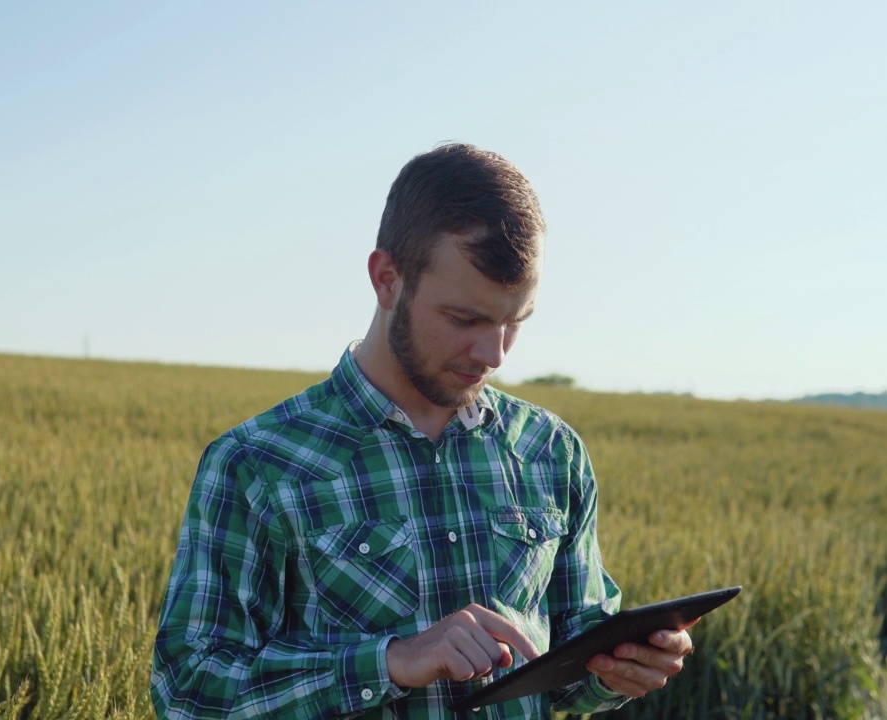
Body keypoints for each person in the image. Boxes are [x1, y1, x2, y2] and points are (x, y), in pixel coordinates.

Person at [151, 143, 695, 718]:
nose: (494, 354)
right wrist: (390, 661)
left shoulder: (550, 451)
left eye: (515, 323)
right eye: (466, 319)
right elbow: (188, 691)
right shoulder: (259, 464)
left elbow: (565, 662)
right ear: (387, 279)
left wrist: (621, 665)